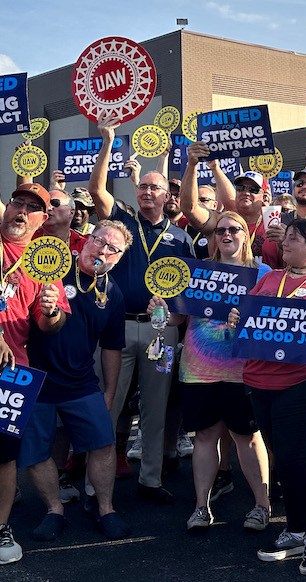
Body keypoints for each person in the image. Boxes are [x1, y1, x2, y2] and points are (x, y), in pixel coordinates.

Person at [227, 218, 306, 575]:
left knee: (294, 457)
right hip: (259, 380)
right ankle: (296, 528)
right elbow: (248, 316)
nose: (285, 243)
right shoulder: (269, 279)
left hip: (302, 381)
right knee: (281, 457)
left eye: (294, 238)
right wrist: (238, 316)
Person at [88, 113, 195, 505]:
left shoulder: (180, 237)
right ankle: (92, 484)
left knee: (155, 407)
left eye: (156, 187)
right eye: (143, 187)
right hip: (118, 329)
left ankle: (150, 479)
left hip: (160, 331)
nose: (148, 192)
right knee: (109, 404)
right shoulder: (123, 222)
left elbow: (187, 289)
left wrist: (178, 319)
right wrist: (107, 142)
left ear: (168, 196)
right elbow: (97, 190)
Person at [147, 212, 271, 533]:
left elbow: (272, 323)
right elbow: (174, 321)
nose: (226, 234)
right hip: (198, 369)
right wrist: (161, 308)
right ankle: (201, 507)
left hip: (243, 370)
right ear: (213, 237)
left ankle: (262, 505)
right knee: (204, 437)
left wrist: (246, 319)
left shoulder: (262, 273)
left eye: (234, 229)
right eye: (220, 230)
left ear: (245, 234)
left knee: (246, 437)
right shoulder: (196, 272)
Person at [22, 220, 133, 542]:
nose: (103, 249)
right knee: (36, 451)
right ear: (86, 241)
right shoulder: (52, 270)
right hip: (36, 377)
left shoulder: (113, 293)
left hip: (82, 381)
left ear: (119, 257)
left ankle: (106, 509)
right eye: (99, 240)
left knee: (103, 444)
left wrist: (110, 390)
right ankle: (54, 509)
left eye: (113, 248)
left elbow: (112, 346)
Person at [0, 183, 70, 565]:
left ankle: (1, 527)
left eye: (32, 208)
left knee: (4, 456)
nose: (22, 211)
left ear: (43, 220)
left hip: (12, 372)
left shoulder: (44, 261)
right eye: (18, 202)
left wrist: (50, 311)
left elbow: (50, 327)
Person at [179, 143, 281, 268]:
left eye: (253, 189)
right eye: (240, 188)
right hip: (223, 285)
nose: (245, 192)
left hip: (263, 285)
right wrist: (192, 165)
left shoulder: (274, 225)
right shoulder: (220, 221)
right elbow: (189, 208)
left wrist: (285, 241)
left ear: (265, 196)